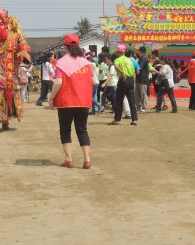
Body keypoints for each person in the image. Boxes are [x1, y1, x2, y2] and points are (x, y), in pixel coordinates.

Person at [48, 34, 97, 169]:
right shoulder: (86, 63)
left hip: (66, 101)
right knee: (82, 130)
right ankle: (87, 159)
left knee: (65, 130)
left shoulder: (61, 63)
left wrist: (51, 98)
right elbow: (94, 81)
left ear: (65, 47)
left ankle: (69, 159)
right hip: (83, 101)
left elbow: (58, 82)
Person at [108, 44, 137, 125]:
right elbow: (134, 72)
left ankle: (117, 120)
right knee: (132, 101)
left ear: (118, 52)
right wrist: (133, 83)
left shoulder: (118, 59)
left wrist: (122, 73)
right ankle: (134, 120)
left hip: (123, 80)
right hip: (131, 80)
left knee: (119, 100)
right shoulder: (130, 60)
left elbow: (116, 66)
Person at [135, 46, 150, 113]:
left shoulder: (144, 58)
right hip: (139, 78)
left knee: (143, 93)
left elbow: (139, 67)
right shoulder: (142, 58)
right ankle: (139, 107)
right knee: (138, 93)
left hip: (143, 78)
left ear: (140, 51)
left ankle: (144, 107)